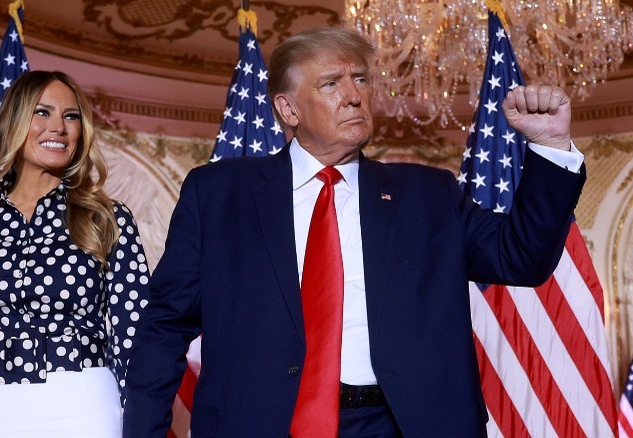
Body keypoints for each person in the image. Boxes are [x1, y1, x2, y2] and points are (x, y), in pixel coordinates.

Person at [122, 26, 585, 437]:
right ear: (287, 108)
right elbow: (164, 325)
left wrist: (549, 148)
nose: (353, 95)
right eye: (331, 83)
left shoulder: (429, 195)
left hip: (401, 423)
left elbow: (521, 258)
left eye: (360, 79)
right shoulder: (219, 194)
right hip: (262, 423)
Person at [0, 70, 149, 438]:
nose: (58, 127)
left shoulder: (106, 218)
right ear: (15, 122)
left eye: (70, 116)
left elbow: (135, 342)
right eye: (42, 112)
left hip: (84, 408)